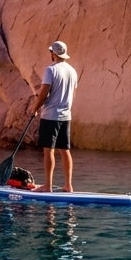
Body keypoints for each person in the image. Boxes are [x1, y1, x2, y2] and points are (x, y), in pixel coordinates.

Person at [33, 40, 78, 192]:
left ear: (53, 54)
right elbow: (73, 93)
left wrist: (35, 108)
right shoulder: (72, 71)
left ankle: (48, 186)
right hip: (66, 116)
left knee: (48, 150)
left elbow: (44, 92)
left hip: (51, 115)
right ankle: (68, 185)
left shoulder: (50, 70)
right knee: (65, 150)